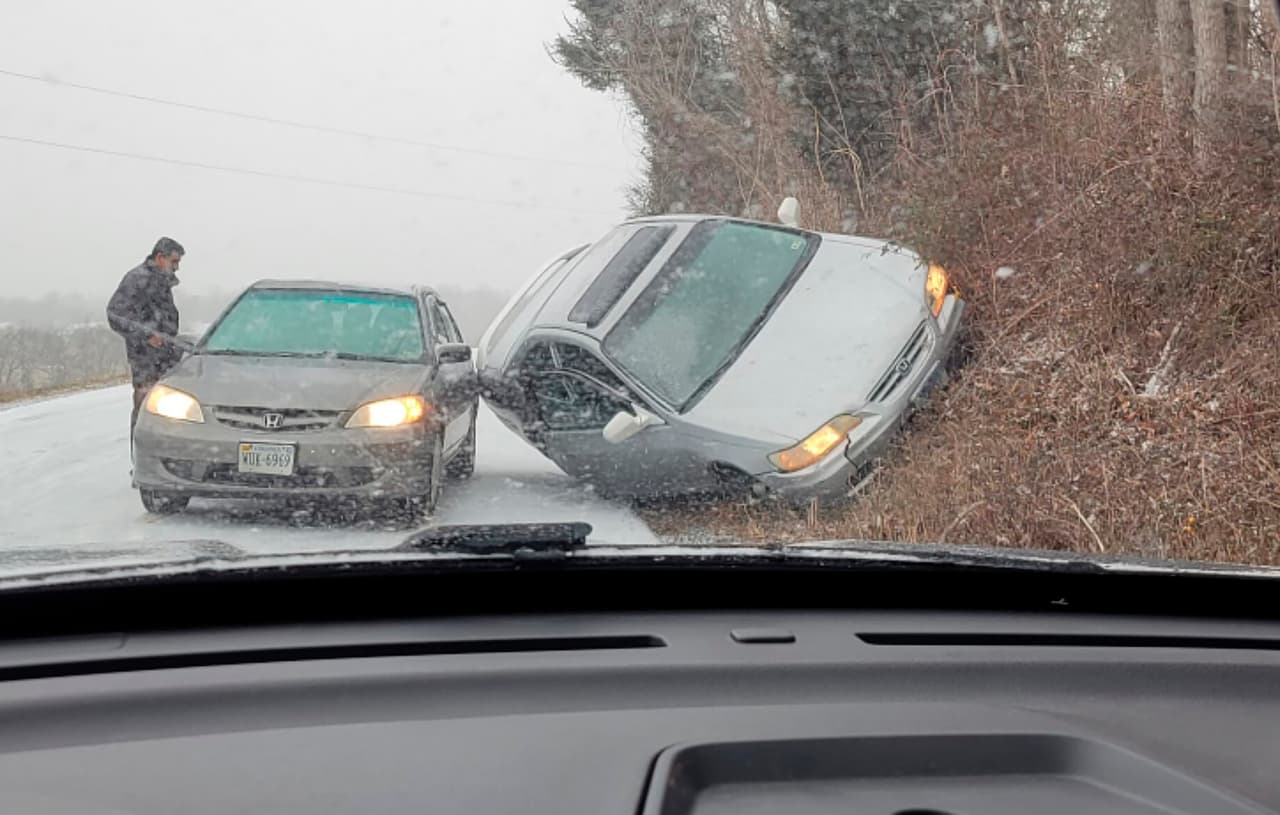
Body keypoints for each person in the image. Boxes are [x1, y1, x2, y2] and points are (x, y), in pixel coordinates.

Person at [106, 237, 186, 449]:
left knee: (169, 413)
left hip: (167, 358)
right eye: (174, 261)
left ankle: (166, 457)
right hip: (146, 361)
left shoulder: (160, 281)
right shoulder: (137, 279)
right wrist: (147, 335)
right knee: (145, 414)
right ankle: (143, 461)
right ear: (160, 258)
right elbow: (115, 314)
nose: (177, 267)